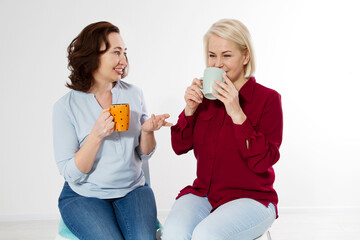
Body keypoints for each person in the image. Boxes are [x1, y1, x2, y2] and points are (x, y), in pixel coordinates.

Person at [162, 19, 283, 240]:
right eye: (212, 55)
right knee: (173, 234)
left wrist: (237, 113)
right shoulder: (205, 99)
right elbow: (179, 147)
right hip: (205, 194)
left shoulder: (268, 99)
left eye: (227, 55)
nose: (217, 64)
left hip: (252, 198)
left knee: (206, 235)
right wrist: (189, 109)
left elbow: (264, 160)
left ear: (245, 56)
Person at [52, 21, 171, 240]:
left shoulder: (134, 94)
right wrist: (96, 134)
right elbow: (71, 173)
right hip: (84, 195)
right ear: (92, 56)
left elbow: (145, 153)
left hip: (133, 189)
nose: (124, 61)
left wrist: (147, 131)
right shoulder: (65, 107)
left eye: (125, 53)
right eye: (116, 52)